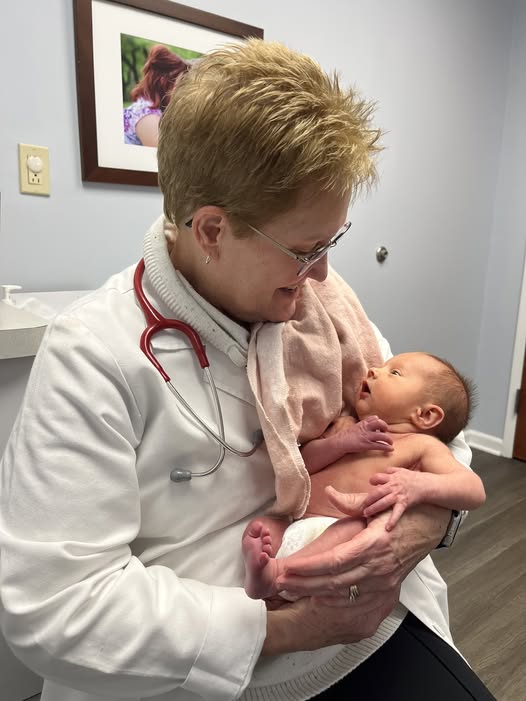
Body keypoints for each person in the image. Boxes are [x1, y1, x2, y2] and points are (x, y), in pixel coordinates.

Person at [0, 39, 496, 701]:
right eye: (304, 248)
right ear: (210, 229)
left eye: (332, 241)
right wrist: (291, 625)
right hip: (207, 675)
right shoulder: (93, 355)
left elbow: (429, 426)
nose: (323, 271)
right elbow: (55, 608)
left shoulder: (323, 303)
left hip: (373, 625)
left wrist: (416, 530)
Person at [242, 351, 486, 600]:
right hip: (293, 522)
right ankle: (264, 575)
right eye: (383, 366)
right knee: (261, 528)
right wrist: (340, 443)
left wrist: (418, 484)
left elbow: (473, 489)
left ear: (425, 415)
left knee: (357, 526)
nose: (373, 371)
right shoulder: (347, 425)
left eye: (395, 372)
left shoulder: (422, 446)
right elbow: (301, 467)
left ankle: (278, 576)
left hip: (339, 533)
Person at [123, 44, 189, 146]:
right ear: (164, 82)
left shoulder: (149, 107)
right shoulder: (148, 116)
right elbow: (163, 159)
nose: (183, 91)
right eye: (180, 85)